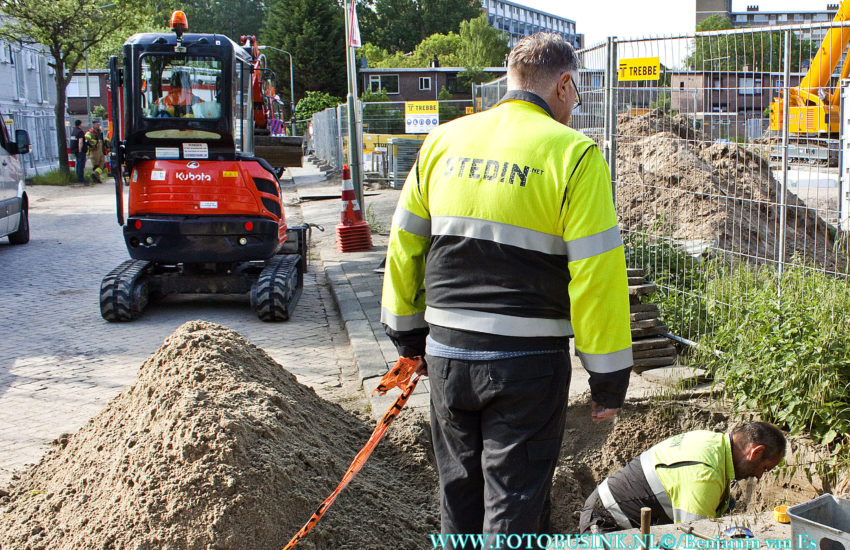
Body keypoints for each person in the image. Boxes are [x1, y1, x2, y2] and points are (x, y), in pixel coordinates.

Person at [380, 32, 632, 539]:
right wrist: (608, 377)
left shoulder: (443, 141)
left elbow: (404, 244)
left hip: (447, 353)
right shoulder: (575, 154)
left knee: (459, 498)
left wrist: (408, 337)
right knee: (513, 509)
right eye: (577, 92)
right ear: (563, 85)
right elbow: (596, 274)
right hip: (527, 364)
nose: (574, 103)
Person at [579, 422, 787, 533]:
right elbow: (694, 538)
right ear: (756, 452)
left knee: (728, 504)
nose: (759, 476)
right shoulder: (705, 475)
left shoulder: (712, 442)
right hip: (606, 524)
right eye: (765, 468)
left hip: (615, 513)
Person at [85, 119, 107, 183]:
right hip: (94, 151)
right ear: (94, 125)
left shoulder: (99, 132)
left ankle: (94, 175)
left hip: (101, 151)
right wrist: (94, 143)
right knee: (96, 166)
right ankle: (96, 178)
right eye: (97, 124)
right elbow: (86, 138)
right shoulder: (90, 132)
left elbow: (102, 140)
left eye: (98, 124)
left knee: (102, 165)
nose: (98, 125)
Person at [70, 119, 87, 184]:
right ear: (80, 124)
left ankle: (78, 177)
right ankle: (81, 179)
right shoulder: (80, 132)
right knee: (81, 165)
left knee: (78, 164)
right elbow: (80, 142)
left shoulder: (73, 131)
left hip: (75, 150)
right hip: (80, 151)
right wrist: (80, 150)